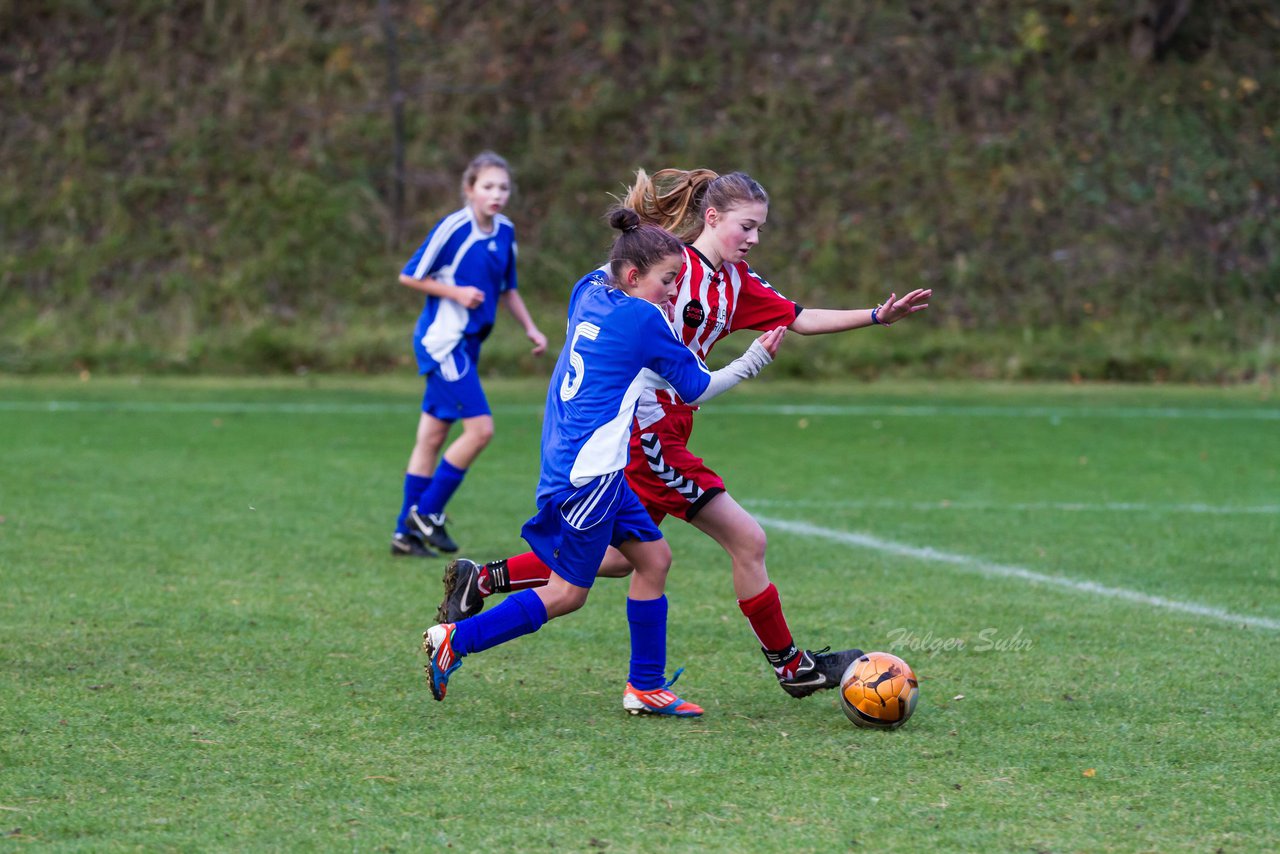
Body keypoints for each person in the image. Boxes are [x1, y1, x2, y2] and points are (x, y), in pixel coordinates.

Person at [436, 168, 932, 699]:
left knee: (622, 559)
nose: (754, 239)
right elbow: (618, 308)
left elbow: (801, 318)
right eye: (747, 227)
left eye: (761, 229)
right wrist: (739, 366)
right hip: (648, 440)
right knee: (745, 540)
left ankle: (485, 580)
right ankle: (789, 667)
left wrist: (878, 315)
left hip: (665, 434)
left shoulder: (737, 283)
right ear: (713, 219)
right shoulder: (670, 269)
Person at [422, 208, 785, 715]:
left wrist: (637, 232)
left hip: (580, 463)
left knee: (654, 559)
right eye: (667, 280)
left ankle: (645, 687)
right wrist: (753, 360)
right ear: (635, 277)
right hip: (588, 477)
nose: (673, 292)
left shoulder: (589, 289)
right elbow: (698, 386)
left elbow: (616, 261)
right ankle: (455, 640)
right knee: (567, 593)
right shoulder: (643, 320)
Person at [390, 151, 548, 558]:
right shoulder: (454, 228)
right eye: (488, 186)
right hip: (444, 343)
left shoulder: (505, 232)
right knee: (480, 430)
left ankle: (404, 535)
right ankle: (426, 514)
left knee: (432, 436)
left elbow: (508, 288)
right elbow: (410, 275)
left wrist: (531, 328)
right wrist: (456, 292)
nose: (497, 194)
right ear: (469, 190)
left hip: (469, 344)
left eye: (503, 187)